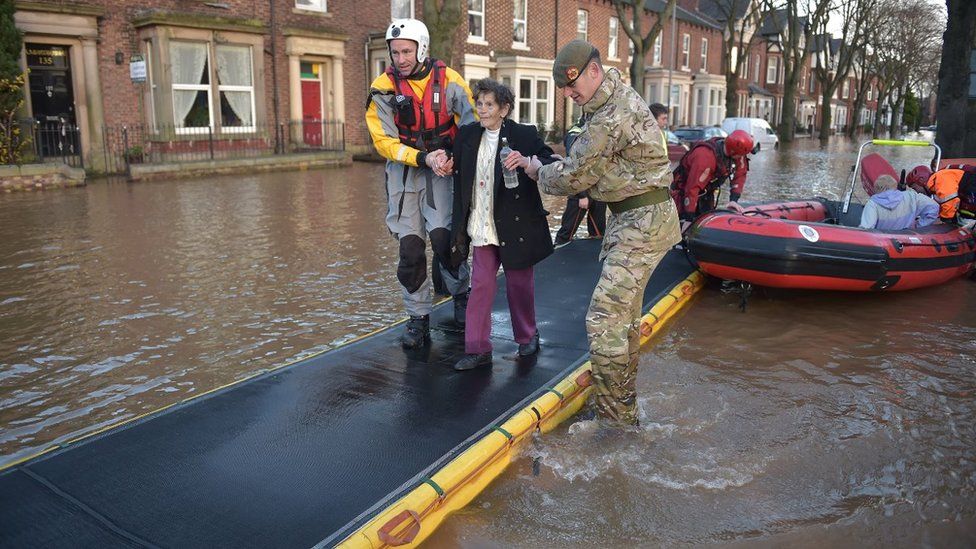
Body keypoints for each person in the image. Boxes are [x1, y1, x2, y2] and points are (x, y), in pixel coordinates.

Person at [523, 40, 681, 426]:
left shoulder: (611, 115)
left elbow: (575, 176)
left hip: (641, 223)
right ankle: (622, 408)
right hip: (636, 219)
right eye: (561, 86)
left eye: (571, 83)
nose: (566, 92)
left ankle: (614, 423)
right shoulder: (608, 105)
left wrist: (535, 169)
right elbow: (589, 165)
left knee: (604, 318)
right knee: (623, 319)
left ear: (595, 70)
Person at [365, 18, 476, 349]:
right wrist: (421, 157)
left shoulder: (451, 81)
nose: (400, 59)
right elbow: (383, 141)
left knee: (447, 240)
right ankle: (418, 318)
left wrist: (456, 156)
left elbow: (471, 123)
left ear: (422, 49)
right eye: (395, 52)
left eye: (406, 51)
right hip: (405, 172)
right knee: (410, 249)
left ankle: (462, 298)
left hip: (443, 170)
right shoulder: (382, 88)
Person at [449, 79, 556, 371]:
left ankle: (527, 335)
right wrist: (443, 163)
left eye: (489, 105)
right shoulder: (468, 135)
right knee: (481, 285)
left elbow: (551, 161)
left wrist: (527, 161)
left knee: (519, 286)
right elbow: (455, 166)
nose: (482, 110)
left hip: (515, 224)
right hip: (482, 222)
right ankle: (477, 348)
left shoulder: (523, 134)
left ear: (504, 109)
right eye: (479, 104)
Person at [670, 128, 754, 225]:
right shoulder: (705, 156)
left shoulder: (737, 154)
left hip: (706, 194)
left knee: (705, 217)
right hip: (683, 194)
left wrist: (733, 200)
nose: (741, 157)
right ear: (733, 151)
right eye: (740, 155)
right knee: (684, 220)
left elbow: (740, 174)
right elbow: (692, 188)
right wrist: (689, 217)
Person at [553, 118, 606, 247]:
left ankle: (594, 261)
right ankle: (558, 254)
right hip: (581, 190)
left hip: (598, 189)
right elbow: (574, 164)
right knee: (567, 232)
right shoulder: (575, 133)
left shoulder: (598, 131)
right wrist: (581, 195)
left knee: (598, 232)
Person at [858, 174, 938, 230]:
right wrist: (919, 226)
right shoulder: (911, 197)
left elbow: (866, 228)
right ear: (895, 186)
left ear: (876, 188)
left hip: (882, 242)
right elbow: (934, 207)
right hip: (906, 240)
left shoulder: (873, 204)